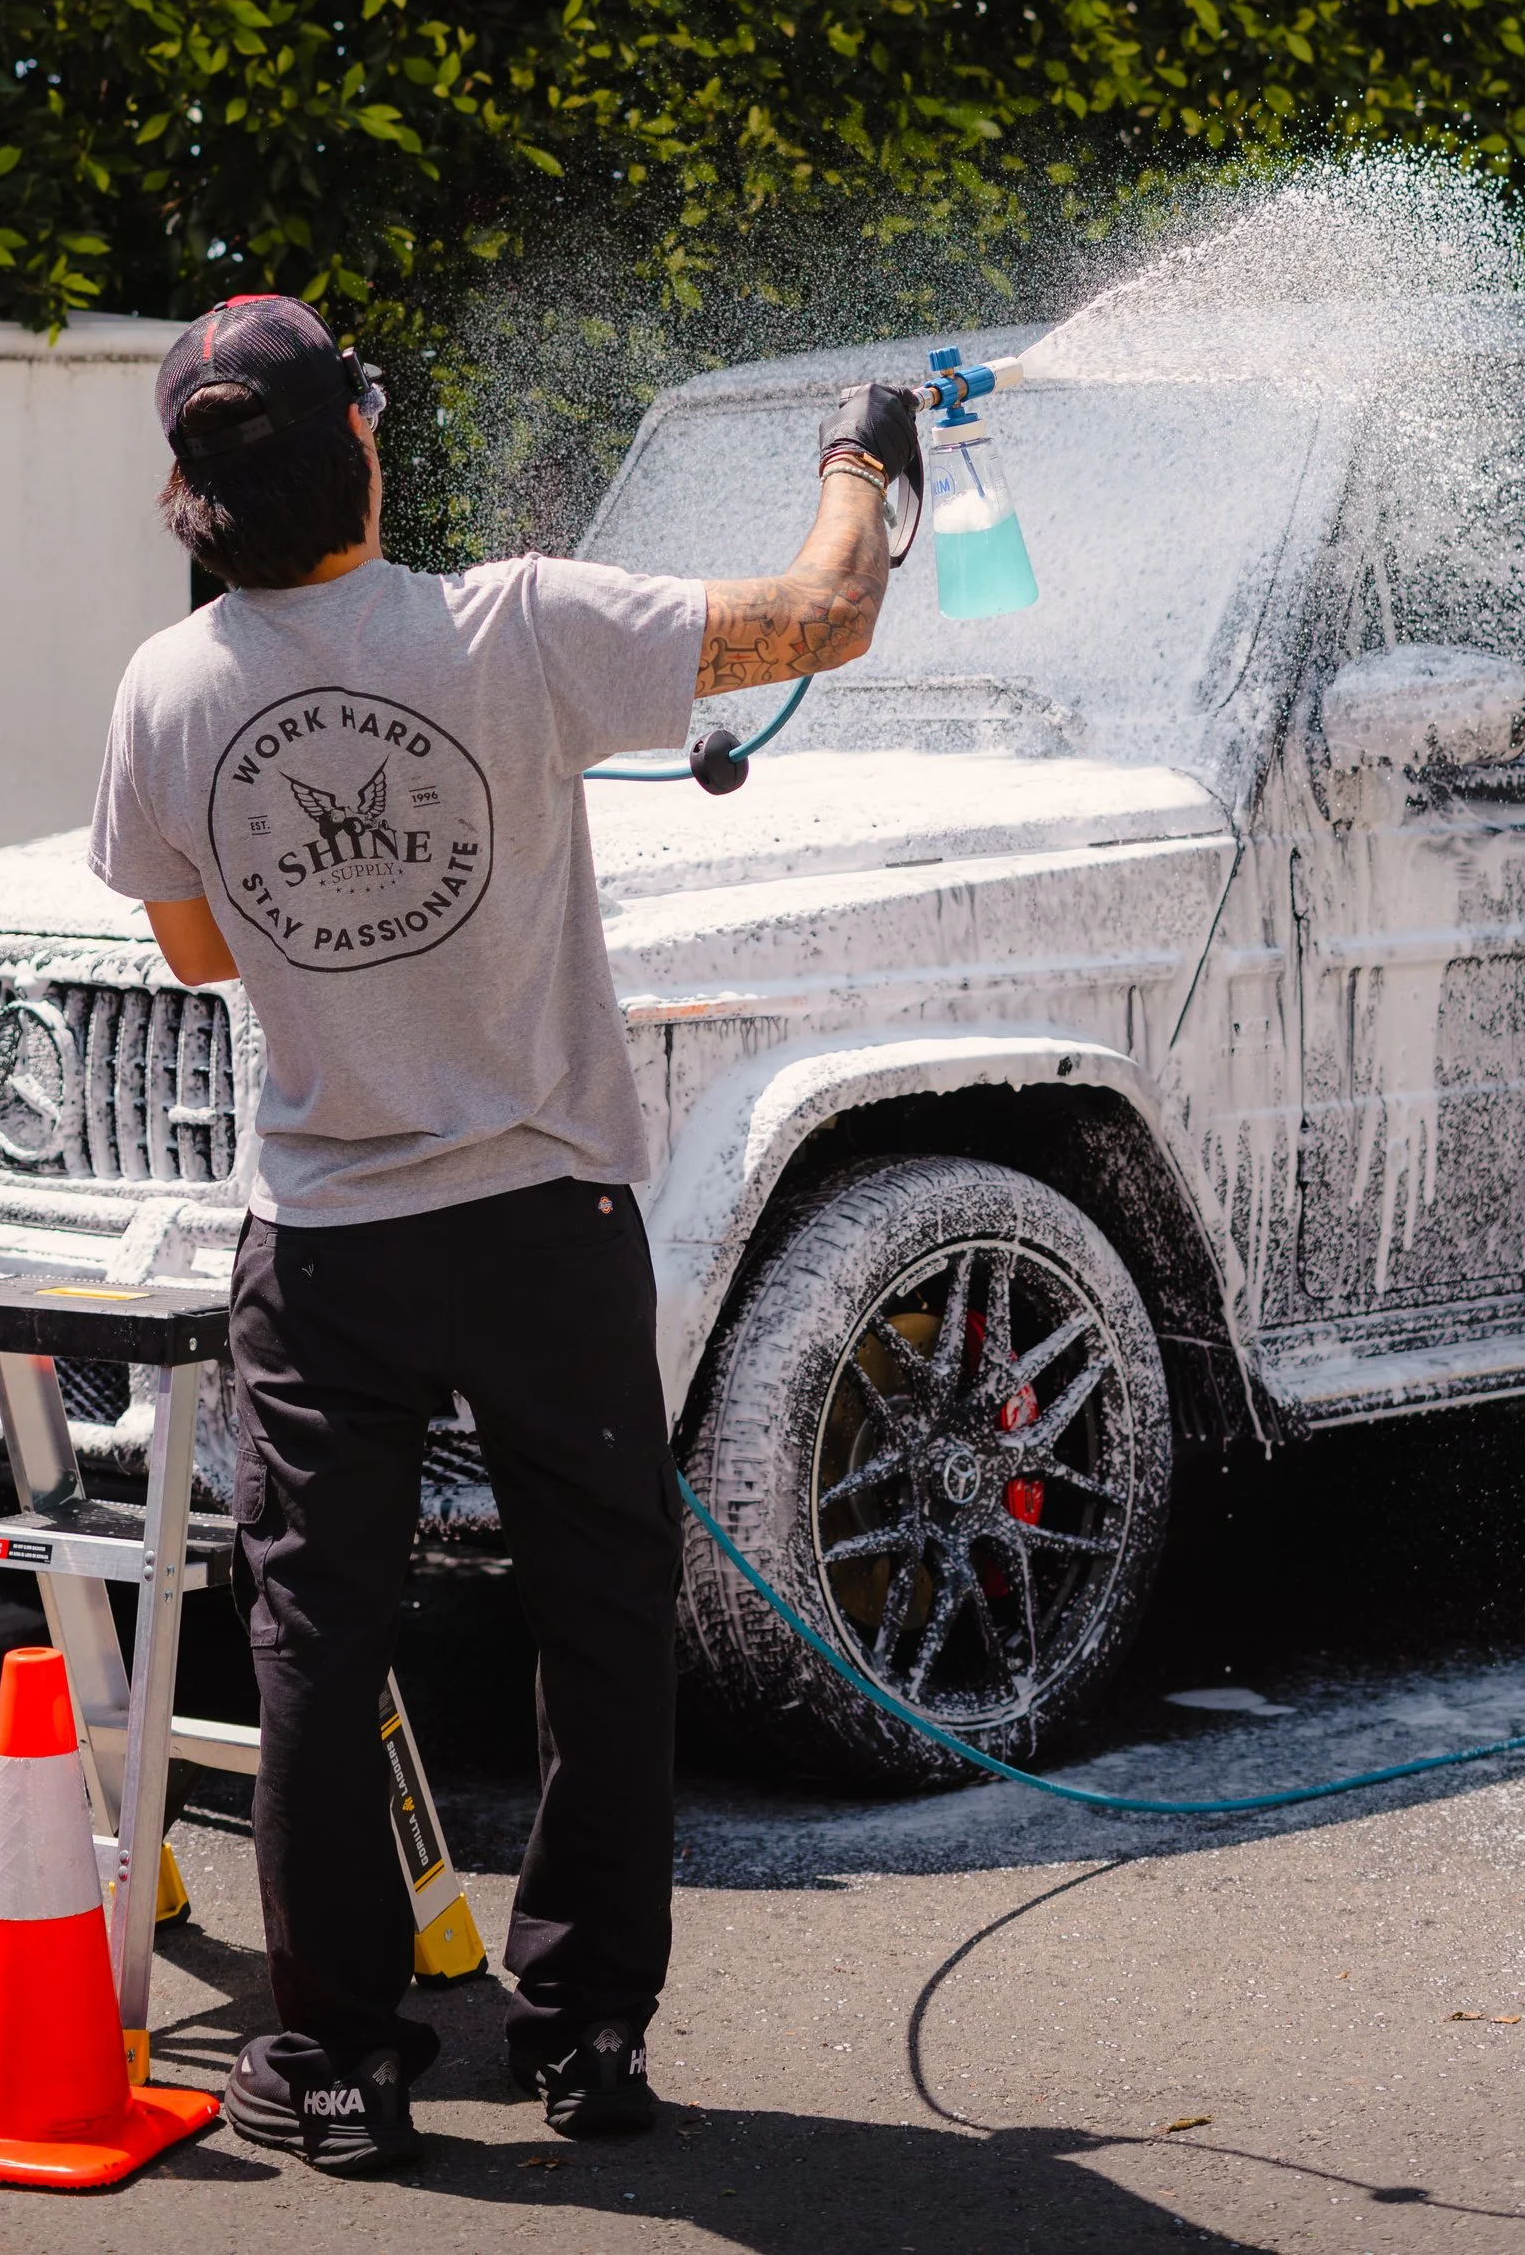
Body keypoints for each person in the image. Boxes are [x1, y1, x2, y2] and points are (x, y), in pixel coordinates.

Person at [89, 293, 923, 2175]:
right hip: (547, 1222)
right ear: (362, 449)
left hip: (328, 1240)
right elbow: (831, 611)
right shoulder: (520, 626)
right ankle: (589, 2031)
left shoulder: (168, 694)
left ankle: (343, 2061)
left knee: (316, 1636)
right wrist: (864, 460)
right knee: (602, 1618)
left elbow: (204, 943)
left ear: (196, 497)